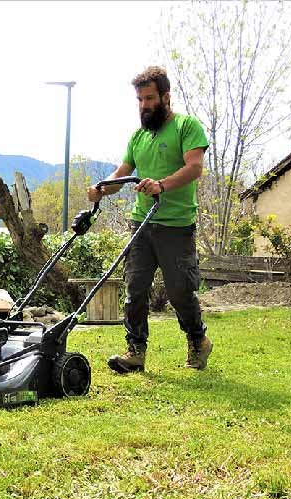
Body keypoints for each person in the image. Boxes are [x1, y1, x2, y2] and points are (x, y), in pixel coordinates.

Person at [87, 65, 212, 373]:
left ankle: (197, 339)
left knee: (179, 291)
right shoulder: (138, 137)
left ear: (165, 97)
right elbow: (121, 174)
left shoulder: (186, 126)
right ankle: (135, 351)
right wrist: (101, 188)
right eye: (140, 100)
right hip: (141, 224)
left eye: (149, 98)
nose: (144, 105)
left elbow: (194, 167)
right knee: (135, 288)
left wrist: (162, 185)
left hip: (176, 226)